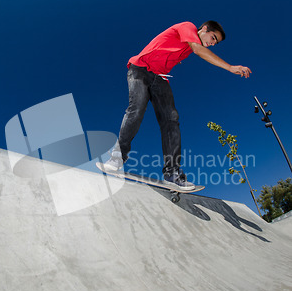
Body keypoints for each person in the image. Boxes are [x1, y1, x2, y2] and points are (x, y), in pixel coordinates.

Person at [104, 20, 251, 190]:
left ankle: (172, 172)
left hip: (159, 77)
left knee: (171, 119)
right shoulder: (188, 27)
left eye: (215, 43)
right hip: (140, 70)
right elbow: (198, 49)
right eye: (213, 38)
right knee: (137, 109)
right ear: (204, 29)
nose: (212, 43)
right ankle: (117, 157)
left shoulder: (187, 47)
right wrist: (230, 67)